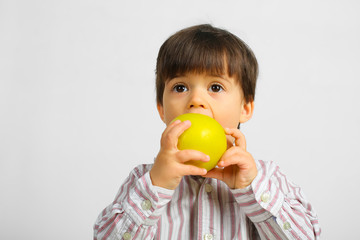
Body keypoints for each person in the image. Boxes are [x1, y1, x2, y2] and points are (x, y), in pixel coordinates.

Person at [94, 24, 321, 239]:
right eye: (180, 87)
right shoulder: (144, 180)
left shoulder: (266, 178)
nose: (196, 100)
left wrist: (251, 187)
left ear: (245, 108)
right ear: (161, 109)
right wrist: (157, 186)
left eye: (215, 87)